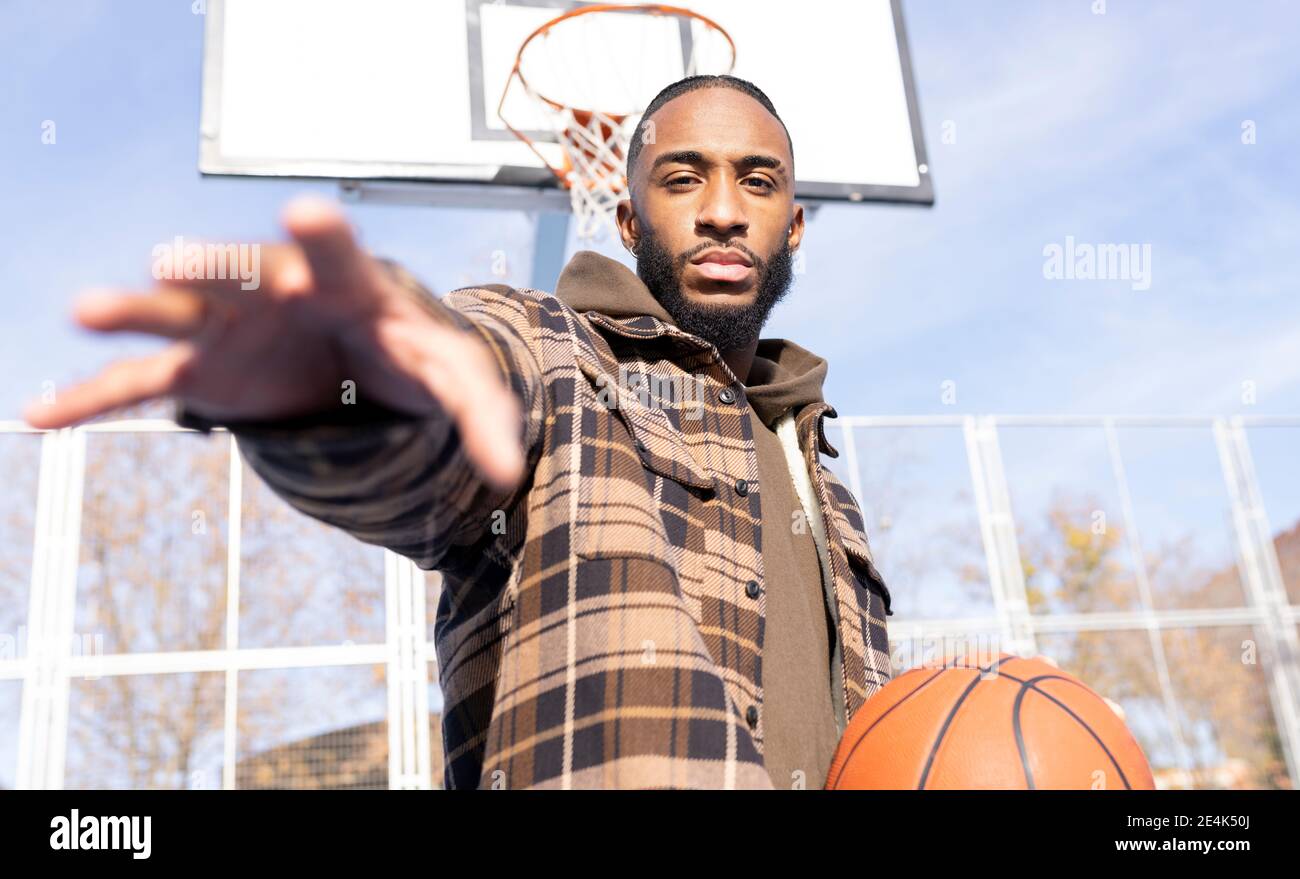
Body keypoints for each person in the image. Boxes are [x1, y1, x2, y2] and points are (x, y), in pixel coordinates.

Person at [26, 74, 893, 790]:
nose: (722, 210)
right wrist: (339, 385)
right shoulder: (556, 354)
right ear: (627, 222)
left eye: (757, 179)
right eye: (682, 177)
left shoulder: (823, 479)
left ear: (794, 222)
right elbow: (456, 393)